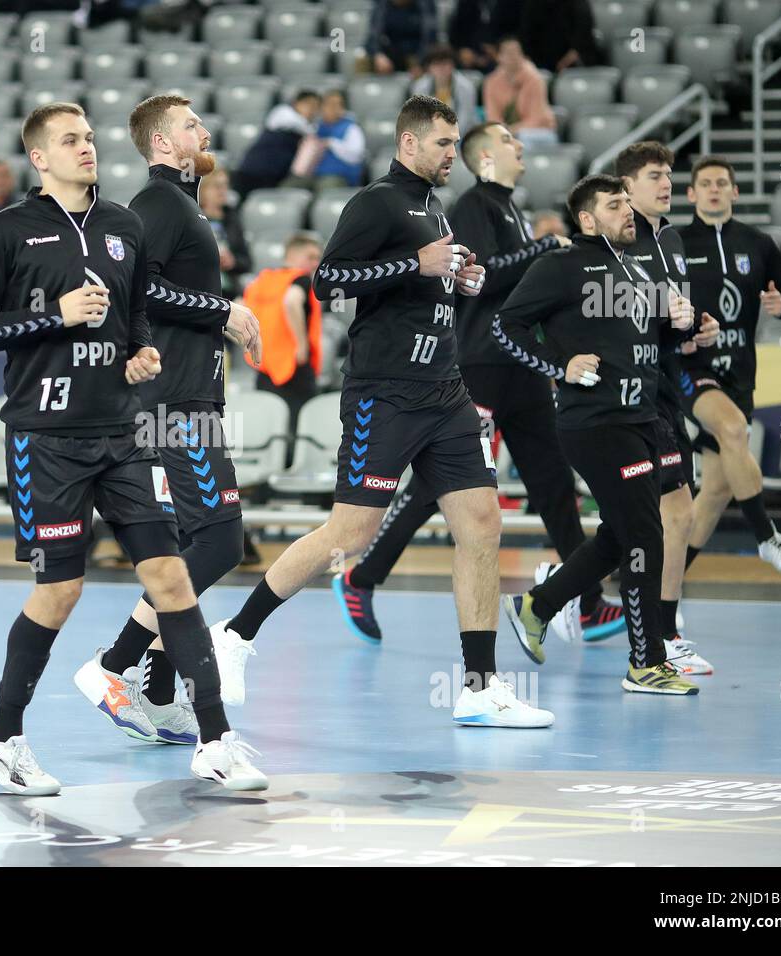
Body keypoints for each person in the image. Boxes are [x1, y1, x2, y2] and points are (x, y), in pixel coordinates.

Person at [0, 101, 267, 792]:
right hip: (45, 438)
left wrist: (142, 351)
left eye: (90, 137)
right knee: (59, 589)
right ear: (40, 157)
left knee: (171, 576)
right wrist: (51, 316)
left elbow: (139, 313)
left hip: (122, 434)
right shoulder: (7, 231)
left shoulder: (123, 225)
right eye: (70, 140)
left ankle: (216, 740)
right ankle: (2, 739)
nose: (85, 148)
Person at [209, 96, 554, 729]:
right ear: (409, 144)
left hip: (444, 390)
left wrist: (459, 277)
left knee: (481, 522)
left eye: (456, 143)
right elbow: (330, 281)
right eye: (444, 143)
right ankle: (234, 635)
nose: (453, 154)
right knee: (351, 535)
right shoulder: (375, 201)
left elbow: (419, 282)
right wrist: (414, 264)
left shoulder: (433, 206)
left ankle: (478, 686)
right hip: (384, 391)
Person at [332, 122, 630, 645]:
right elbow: (486, 276)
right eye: (510, 141)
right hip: (482, 363)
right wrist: (543, 249)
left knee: (554, 483)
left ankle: (583, 601)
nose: (520, 146)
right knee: (436, 485)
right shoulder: (473, 205)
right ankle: (363, 576)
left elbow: (484, 275)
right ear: (487, 156)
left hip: (521, 366)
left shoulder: (507, 207)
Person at [72, 93, 263, 748]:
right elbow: (136, 288)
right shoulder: (155, 204)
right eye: (190, 125)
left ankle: (154, 691)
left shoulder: (181, 205)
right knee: (219, 540)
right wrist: (223, 311)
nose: (204, 131)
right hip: (175, 404)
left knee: (190, 543)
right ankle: (116, 664)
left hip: (188, 398)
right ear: (160, 144)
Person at [497, 174, 700, 696]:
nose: (628, 211)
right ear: (587, 219)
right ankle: (645, 662)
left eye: (628, 203)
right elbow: (506, 326)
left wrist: (684, 322)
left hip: (642, 419)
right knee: (644, 536)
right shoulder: (559, 266)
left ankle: (537, 605)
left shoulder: (633, 267)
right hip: (595, 423)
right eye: (615, 205)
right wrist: (559, 364)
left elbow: (654, 337)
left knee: (620, 532)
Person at [610, 141, 719, 674]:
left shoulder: (671, 238)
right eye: (655, 176)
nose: (666, 184)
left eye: (669, 176)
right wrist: (664, 316)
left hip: (666, 390)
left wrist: (697, 327)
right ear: (627, 187)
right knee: (668, 514)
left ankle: (552, 595)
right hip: (630, 399)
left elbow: (672, 316)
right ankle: (662, 631)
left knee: (661, 517)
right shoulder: (618, 241)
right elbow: (607, 308)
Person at [678, 156, 781, 575]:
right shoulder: (675, 243)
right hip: (691, 367)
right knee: (733, 429)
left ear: (734, 192)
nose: (714, 189)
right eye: (706, 183)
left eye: (722, 183)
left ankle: (659, 590)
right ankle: (767, 537)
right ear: (692, 193)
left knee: (715, 489)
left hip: (740, 373)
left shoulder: (758, 243)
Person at [244, 232, 324, 437]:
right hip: (295, 364)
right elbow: (291, 301)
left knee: (270, 426)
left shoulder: (262, 280)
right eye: (311, 257)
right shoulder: (301, 280)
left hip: (264, 366)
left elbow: (241, 307)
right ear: (292, 255)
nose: (315, 263)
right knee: (302, 427)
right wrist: (302, 345)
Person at [232, 90, 319, 199]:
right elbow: (296, 124)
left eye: (315, 107)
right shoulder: (282, 112)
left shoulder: (307, 130)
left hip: (274, 175)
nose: (311, 110)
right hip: (252, 169)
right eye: (308, 104)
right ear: (296, 103)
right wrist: (313, 131)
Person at [483, 36, 557, 151]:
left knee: (523, 139)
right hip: (507, 132)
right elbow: (493, 118)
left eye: (516, 52)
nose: (513, 56)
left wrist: (511, 130)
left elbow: (537, 118)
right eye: (508, 52)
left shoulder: (535, 79)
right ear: (499, 57)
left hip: (539, 131)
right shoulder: (491, 82)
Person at [199, 167, 251, 299]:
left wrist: (233, 262)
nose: (223, 191)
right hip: (199, 289)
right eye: (217, 186)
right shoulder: (192, 217)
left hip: (229, 290)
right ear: (203, 189)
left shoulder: (232, 218)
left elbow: (247, 262)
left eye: (225, 185)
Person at [410, 45, 479, 136]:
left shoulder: (466, 87)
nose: (441, 69)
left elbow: (465, 118)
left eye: (445, 64)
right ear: (429, 67)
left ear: (453, 65)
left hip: (462, 135)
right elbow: (420, 117)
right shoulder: (419, 87)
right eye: (436, 64)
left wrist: (450, 137)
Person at [519, 0, 601, 73]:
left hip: (572, 61)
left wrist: (566, 61)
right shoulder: (533, 4)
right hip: (540, 61)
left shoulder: (578, 4)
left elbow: (583, 37)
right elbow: (526, 36)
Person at [311, 90, 367, 189]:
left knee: (326, 185)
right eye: (329, 104)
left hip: (340, 176)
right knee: (293, 185)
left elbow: (356, 156)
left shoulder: (351, 128)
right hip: (313, 174)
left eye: (337, 105)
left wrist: (332, 143)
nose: (333, 108)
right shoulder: (315, 127)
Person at [448, 0, 524, 73]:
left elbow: (518, 31)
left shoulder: (513, 3)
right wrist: (462, 50)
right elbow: (455, 32)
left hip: (501, 54)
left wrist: (500, 51)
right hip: (470, 57)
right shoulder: (466, 3)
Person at [367, 0, 439, 77]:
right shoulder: (382, 4)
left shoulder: (425, 4)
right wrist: (378, 54)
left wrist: (421, 62)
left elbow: (430, 37)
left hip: (416, 52)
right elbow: (373, 35)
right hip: (392, 51)